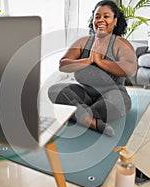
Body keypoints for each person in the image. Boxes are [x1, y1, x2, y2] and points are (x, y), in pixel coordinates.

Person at [48, 0, 137, 136]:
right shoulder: (83, 42)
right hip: (85, 93)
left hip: (113, 93)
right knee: (55, 90)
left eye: (106, 16)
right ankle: (90, 121)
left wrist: (100, 61)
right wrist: (89, 60)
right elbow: (63, 65)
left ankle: (79, 114)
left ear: (115, 21)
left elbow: (130, 69)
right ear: (93, 20)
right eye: (97, 16)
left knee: (119, 102)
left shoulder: (120, 43)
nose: (101, 20)